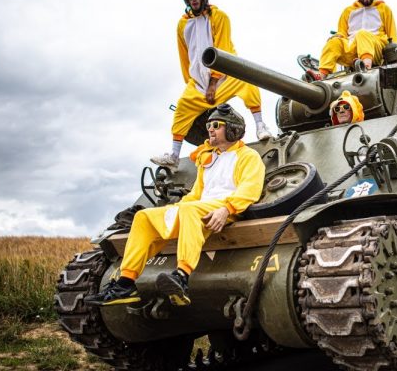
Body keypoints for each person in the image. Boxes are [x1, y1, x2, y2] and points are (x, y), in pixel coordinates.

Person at [86, 104, 266, 306]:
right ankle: (125, 283)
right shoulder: (209, 159)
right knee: (144, 217)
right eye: (209, 126)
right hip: (200, 208)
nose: (210, 129)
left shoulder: (248, 156)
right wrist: (175, 209)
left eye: (216, 125)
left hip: (226, 209)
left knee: (189, 210)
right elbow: (197, 193)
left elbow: (250, 189)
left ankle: (182, 275)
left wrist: (227, 209)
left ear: (233, 129)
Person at [151, 0, 272, 170]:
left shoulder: (219, 17)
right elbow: (184, 55)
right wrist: (191, 82)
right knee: (182, 107)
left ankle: (260, 126)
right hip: (199, 80)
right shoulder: (182, 25)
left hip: (226, 75)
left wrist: (214, 82)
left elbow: (222, 48)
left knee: (248, 81)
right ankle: (174, 155)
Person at [306, 0, 397, 81]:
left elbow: (393, 34)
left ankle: (365, 67)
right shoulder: (348, 11)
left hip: (376, 48)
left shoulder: (384, 9)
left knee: (362, 34)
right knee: (334, 42)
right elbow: (342, 33)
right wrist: (337, 37)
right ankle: (321, 75)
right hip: (353, 49)